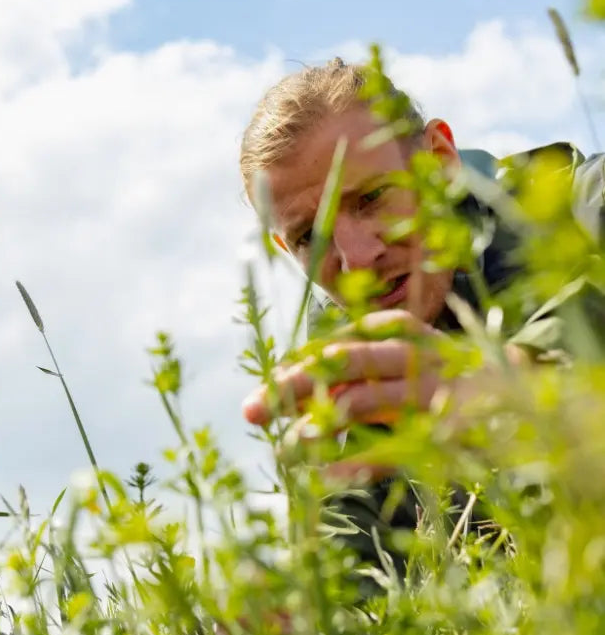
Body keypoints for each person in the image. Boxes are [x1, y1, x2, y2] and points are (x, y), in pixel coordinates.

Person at [237, 57, 605, 575]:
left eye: (370, 198)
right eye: (309, 237)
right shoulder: (346, 373)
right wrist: (303, 600)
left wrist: (525, 372)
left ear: (440, 160)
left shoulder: (577, 204)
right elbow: (348, 538)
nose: (357, 258)